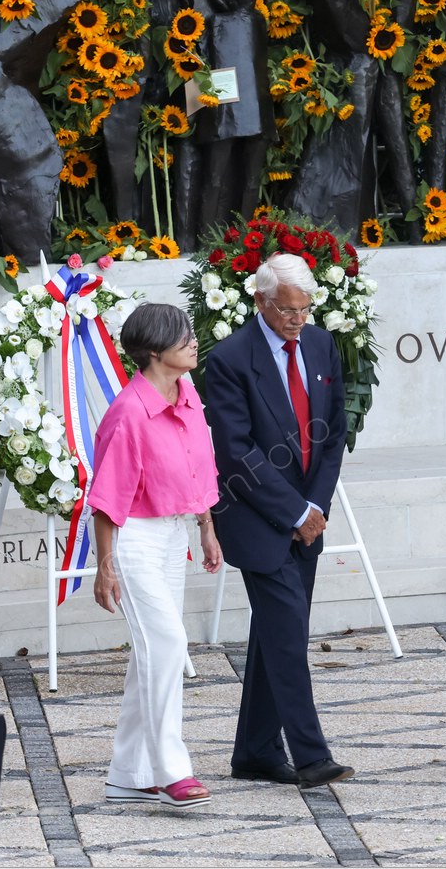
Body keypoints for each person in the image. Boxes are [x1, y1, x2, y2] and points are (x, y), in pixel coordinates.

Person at [202, 253, 354, 789]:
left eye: (305, 309)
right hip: (256, 519)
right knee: (289, 635)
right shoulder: (229, 359)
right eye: (288, 310)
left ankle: (255, 752)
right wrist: (292, 511)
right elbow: (235, 451)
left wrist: (314, 508)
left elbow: (332, 432)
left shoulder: (319, 344)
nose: (298, 319)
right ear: (260, 301)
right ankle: (311, 755)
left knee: (275, 635)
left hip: (307, 518)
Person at [87, 302, 223, 810]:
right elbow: (106, 497)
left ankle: (127, 773)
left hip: (173, 534)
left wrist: (206, 527)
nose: (192, 341)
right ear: (151, 351)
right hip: (134, 539)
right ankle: (170, 770)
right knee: (168, 644)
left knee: (151, 655)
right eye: (180, 335)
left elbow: (198, 467)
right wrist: (105, 566)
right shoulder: (128, 413)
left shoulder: (187, 395)